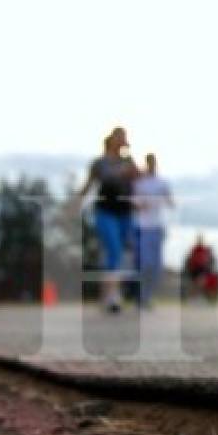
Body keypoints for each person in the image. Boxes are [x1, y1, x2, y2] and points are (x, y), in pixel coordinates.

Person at [78, 128, 138, 313]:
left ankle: (109, 293)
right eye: (119, 136)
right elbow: (89, 184)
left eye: (124, 137)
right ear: (111, 139)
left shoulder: (128, 161)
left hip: (126, 212)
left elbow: (137, 181)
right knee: (113, 249)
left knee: (123, 254)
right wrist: (74, 202)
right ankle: (113, 296)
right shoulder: (99, 163)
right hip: (105, 211)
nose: (122, 140)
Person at [133, 153, 174, 310]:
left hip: (157, 227)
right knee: (145, 264)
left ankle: (148, 296)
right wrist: (141, 204)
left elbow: (170, 201)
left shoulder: (162, 182)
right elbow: (135, 202)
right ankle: (141, 297)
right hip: (144, 228)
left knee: (156, 266)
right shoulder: (140, 183)